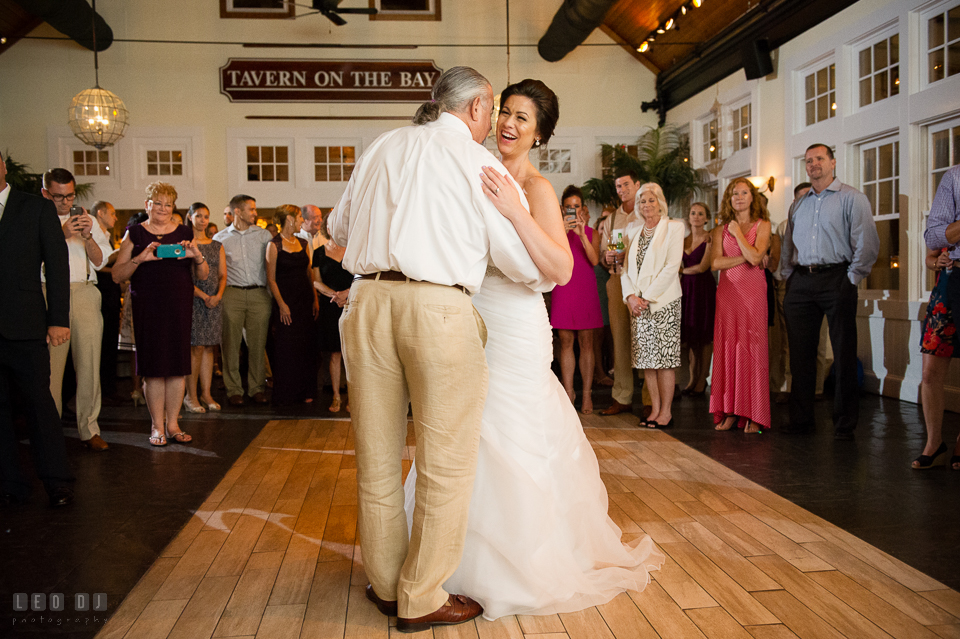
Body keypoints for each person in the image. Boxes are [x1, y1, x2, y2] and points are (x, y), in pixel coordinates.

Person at [403, 77, 663, 621]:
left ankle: (518, 561)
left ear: (539, 133)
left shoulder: (538, 189)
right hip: (471, 314)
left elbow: (562, 269)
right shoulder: (474, 168)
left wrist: (513, 208)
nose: (508, 124)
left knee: (510, 429)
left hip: (517, 325)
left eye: (522, 118)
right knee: (464, 432)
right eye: (504, 112)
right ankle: (440, 562)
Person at [330, 66, 558, 632]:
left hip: (366, 302)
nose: (496, 122)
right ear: (480, 106)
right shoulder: (474, 160)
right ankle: (421, 594)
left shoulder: (382, 145)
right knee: (445, 462)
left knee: (377, 459)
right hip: (436, 308)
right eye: (495, 110)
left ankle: (384, 584)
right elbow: (522, 262)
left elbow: (337, 227)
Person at [780, 144, 879, 440]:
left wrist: (851, 278)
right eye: (808, 160)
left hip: (838, 278)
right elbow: (788, 246)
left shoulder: (852, 198)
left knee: (844, 351)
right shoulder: (799, 203)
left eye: (819, 159)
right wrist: (788, 277)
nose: (813, 164)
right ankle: (801, 420)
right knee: (800, 355)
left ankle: (844, 424)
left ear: (833, 162)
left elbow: (867, 243)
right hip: (800, 282)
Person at [0, 149, 75, 507]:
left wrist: (58, 318)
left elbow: (58, 265)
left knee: (39, 405)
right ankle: (9, 482)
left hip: (26, 324)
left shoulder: (35, 207)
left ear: (2, 166)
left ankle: (56, 480)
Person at [112, 182, 208, 446]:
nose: (163, 209)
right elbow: (117, 275)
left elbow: (202, 275)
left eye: (168, 204)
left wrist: (196, 255)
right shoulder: (134, 233)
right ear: (147, 205)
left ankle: (173, 423)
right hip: (148, 307)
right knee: (154, 370)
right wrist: (140, 259)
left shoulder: (185, 231)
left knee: (177, 369)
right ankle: (157, 426)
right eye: (158, 203)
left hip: (179, 305)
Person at [41, 168, 112, 452]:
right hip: (48, 294)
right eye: (58, 196)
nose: (65, 202)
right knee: (50, 370)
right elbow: (26, 261)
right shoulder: (36, 218)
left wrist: (87, 237)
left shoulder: (89, 220)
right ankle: (49, 432)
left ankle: (89, 429)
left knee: (89, 364)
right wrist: (60, 234)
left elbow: (100, 262)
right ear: (46, 192)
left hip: (84, 291)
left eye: (69, 195)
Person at [710, 178, 772, 434]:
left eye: (744, 192)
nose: (739, 197)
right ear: (729, 199)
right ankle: (729, 412)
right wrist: (745, 257)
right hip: (727, 295)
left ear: (752, 196)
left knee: (752, 349)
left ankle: (754, 413)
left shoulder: (763, 225)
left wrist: (738, 235)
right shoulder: (718, 230)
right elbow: (715, 263)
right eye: (734, 193)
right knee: (727, 349)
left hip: (753, 294)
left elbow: (758, 257)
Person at [621, 182, 684, 428]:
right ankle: (654, 409)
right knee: (647, 361)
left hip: (663, 302)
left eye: (651, 200)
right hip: (638, 305)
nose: (646, 205)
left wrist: (646, 297)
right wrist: (630, 298)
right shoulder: (633, 231)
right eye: (642, 201)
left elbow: (671, 267)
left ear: (660, 202)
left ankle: (666, 412)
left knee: (664, 361)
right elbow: (625, 269)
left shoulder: (674, 228)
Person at [213, 195, 273, 406]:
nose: (255, 213)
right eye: (252, 209)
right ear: (237, 211)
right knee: (230, 344)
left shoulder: (264, 235)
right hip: (232, 294)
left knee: (258, 344)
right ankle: (234, 390)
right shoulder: (220, 238)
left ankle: (257, 388)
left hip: (259, 294)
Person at [920, 163, 960, 469]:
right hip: (952, 279)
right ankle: (935, 443)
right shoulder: (955, 177)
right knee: (931, 369)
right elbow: (933, 236)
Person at [550, 185, 603, 414]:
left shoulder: (592, 233)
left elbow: (594, 260)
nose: (573, 210)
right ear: (562, 209)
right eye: (569, 207)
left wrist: (582, 235)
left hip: (585, 288)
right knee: (565, 341)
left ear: (583, 209)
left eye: (577, 207)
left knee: (587, 342)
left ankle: (587, 395)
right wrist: (561, 229)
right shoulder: (554, 230)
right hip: (563, 286)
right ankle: (569, 392)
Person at [598, 170, 642, 416]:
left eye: (626, 184)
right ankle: (622, 397)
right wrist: (608, 257)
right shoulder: (613, 219)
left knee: (645, 340)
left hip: (642, 283)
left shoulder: (647, 211)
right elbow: (606, 254)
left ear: (637, 185)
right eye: (618, 186)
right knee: (620, 340)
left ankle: (650, 399)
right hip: (617, 280)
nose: (622, 189)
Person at [266, 204, 319, 405]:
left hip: (304, 300)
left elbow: (309, 272)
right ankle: (288, 393)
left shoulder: (303, 243)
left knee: (306, 346)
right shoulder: (274, 245)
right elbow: (271, 279)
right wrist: (281, 304)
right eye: (298, 218)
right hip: (286, 301)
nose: (301, 222)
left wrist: (314, 299)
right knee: (287, 347)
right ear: (289, 218)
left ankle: (306, 390)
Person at [184, 202, 225, 413]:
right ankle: (190, 397)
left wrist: (217, 295)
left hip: (214, 301)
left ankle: (206, 393)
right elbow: (181, 277)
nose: (203, 220)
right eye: (198, 216)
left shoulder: (216, 245)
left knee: (209, 347)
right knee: (196, 348)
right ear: (190, 217)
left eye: (206, 216)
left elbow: (222, 275)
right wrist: (202, 295)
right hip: (193, 299)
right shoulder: (185, 245)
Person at [313, 207, 352, 413]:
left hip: (353, 304)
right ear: (327, 227)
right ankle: (336, 396)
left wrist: (347, 293)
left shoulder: (355, 248)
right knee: (335, 354)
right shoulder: (319, 252)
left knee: (352, 355)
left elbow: (361, 278)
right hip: (331, 306)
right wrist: (335, 296)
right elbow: (316, 282)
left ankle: (352, 398)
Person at [680, 202, 715, 396]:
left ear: (706, 218)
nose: (696, 217)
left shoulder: (710, 238)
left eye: (701, 214)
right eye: (693, 213)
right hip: (686, 288)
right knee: (691, 337)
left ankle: (703, 378)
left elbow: (703, 267)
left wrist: (681, 271)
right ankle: (692, 378)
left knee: (704, 335)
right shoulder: (682, 240)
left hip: (703, 287)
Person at [92, 200, 124, 407]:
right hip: (100, 294)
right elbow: (94, 265)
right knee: (101, 345)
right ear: (101, 213)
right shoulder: (93, 234)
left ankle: (109, 389)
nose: (115, 217)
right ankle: (102, 391)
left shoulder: (107, 236)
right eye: (112, 213)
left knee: (110, 343)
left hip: (111, 295)